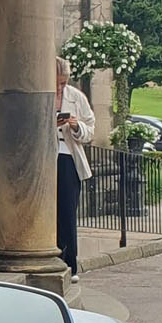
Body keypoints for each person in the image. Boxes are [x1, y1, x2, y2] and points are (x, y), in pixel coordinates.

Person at [56, 57, 95, 277]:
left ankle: (70, 263)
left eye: (63, 83)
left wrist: (76, 125)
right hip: (46, 156)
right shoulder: (42, 94)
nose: (60, 87)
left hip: (69, 156)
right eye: (56, 83)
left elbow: (90, 128)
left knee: (68, 212)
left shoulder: (76, 97)